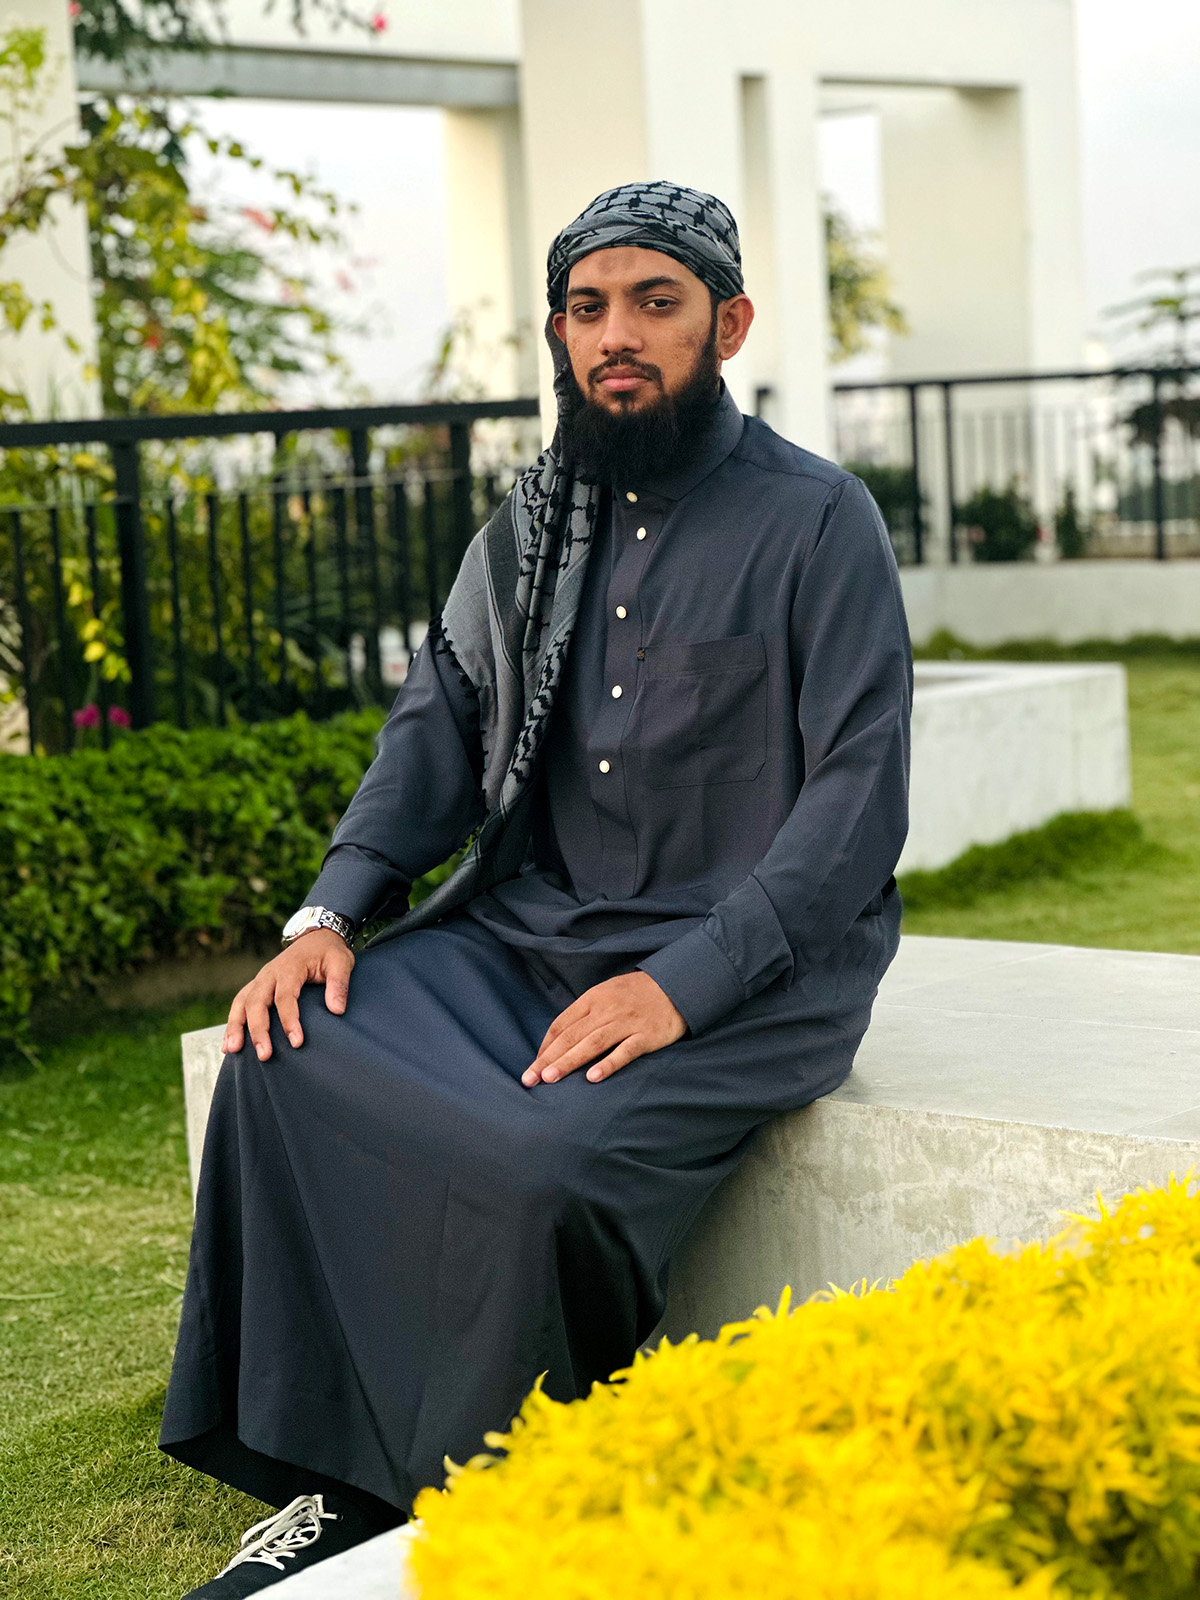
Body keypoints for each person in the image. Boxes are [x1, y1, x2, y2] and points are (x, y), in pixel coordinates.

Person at [162, 180, 912, 1597]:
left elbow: (856, 803)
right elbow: (431, 735)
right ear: (562, 333)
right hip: (531, 932)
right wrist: (327, 917)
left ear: (728, 325)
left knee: (543, 1168)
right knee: (280, 1056)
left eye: (654, 303)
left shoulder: (821, 521)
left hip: (748, 968)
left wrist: (681, 985)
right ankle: (341, 1488)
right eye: (587, 307)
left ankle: (501, 1520)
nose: (615, 334)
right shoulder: (528, 529)